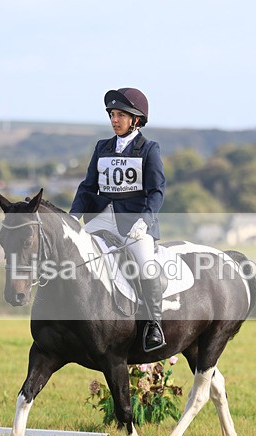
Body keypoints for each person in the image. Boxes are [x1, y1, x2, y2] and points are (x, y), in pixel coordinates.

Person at [69, 87, 167, 352]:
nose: (114, 120)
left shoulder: (148, 149)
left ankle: (153, 326)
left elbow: (157, 190)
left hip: (134, 222)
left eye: (120, 115)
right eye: (112, 114)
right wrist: (73, 217)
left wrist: (144, 221)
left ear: (135, 119)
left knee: (146, 264)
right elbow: (88, 187)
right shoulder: (102, 148)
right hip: (101, 218)